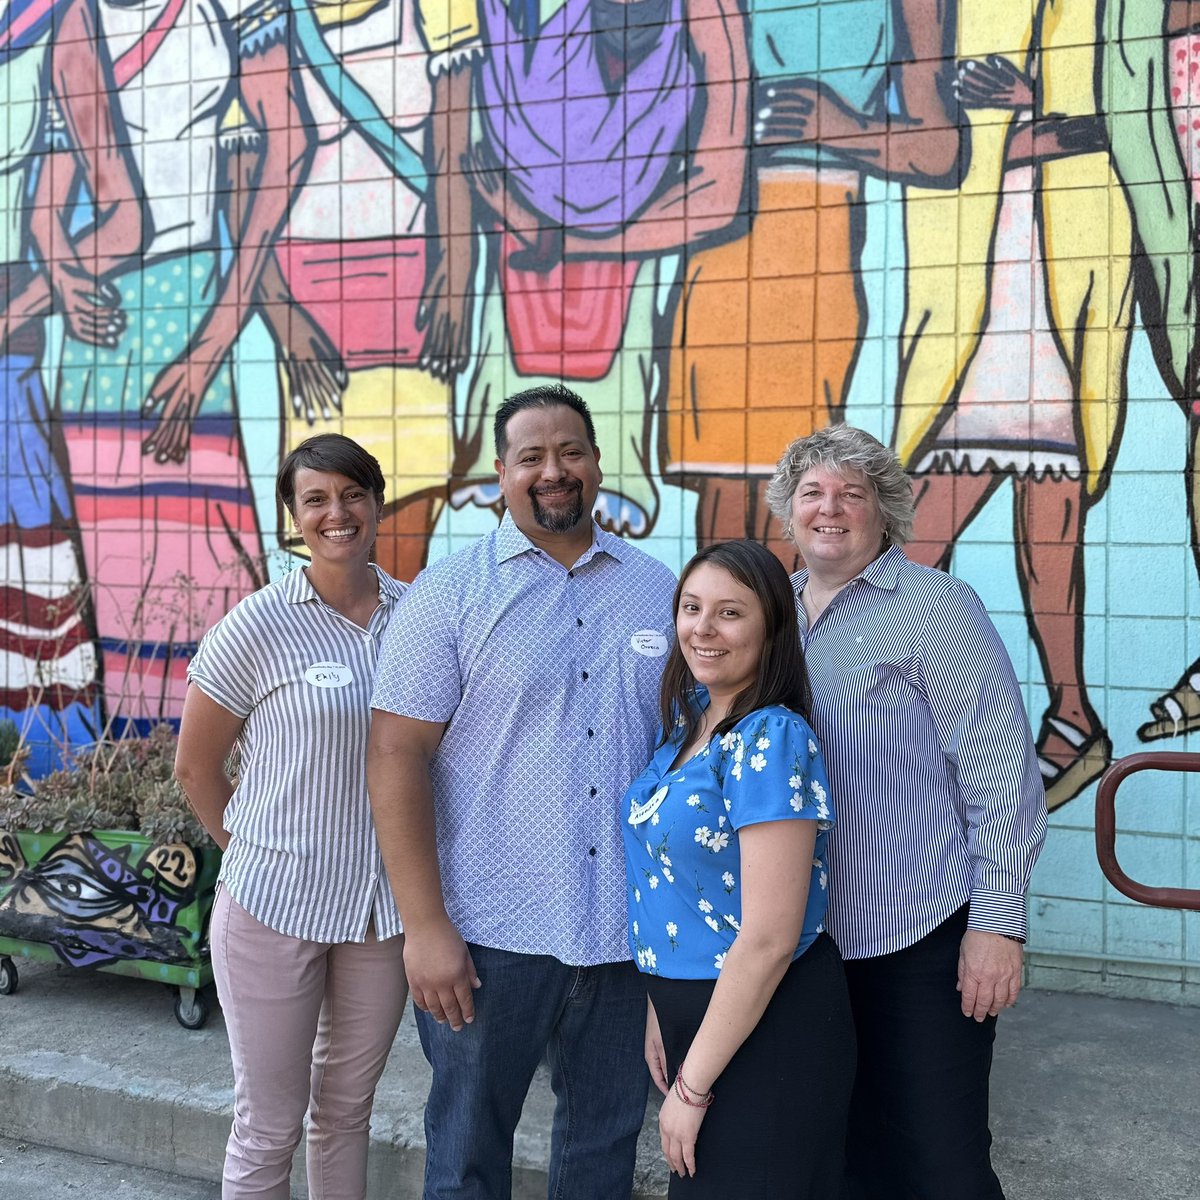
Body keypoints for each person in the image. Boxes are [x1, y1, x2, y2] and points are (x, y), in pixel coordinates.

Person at [367, 382, 677, 1199]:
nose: (554, 470)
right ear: (500, 473)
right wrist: (424, 927)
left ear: (598, 463)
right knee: (467, 1153)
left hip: (623, 931)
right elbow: (395, 754)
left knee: (602, 1153)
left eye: (570, 451)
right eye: (531, 456)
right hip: (487, 933)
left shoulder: (662, 592)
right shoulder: (449, 593)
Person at [765, 424, 1047, 1199]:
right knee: (839, 1153)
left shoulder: (937, 609)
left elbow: (1001, 776)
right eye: (813, 493)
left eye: (852, 494)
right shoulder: (767, 614)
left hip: (917, 934)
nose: (831, 509)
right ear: (788, 512)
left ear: (884, 512)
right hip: (800, 945)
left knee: (938, 1157)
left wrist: (996, 924)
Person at [174, 434, 408, 1200]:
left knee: (345, 1112)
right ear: (293, 516)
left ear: (376, 502)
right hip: (274, 908)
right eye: (316, 499)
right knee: (268, 1123)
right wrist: (252, 854)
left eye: (352, 494)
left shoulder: (419, 617)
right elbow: (195, 767)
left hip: (381, 915)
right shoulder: (257, 625)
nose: (336, 513)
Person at [622, 539, 854, 1196]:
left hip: (769, 1024)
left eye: (730, 613)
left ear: (772, 629)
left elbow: (770, 935)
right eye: (691, 607)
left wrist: (693, 1089)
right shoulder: (688, 724)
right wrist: (657, 1009)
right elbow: (671, 885)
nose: (703, 627)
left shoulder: (772, 738)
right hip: (694, 1016)